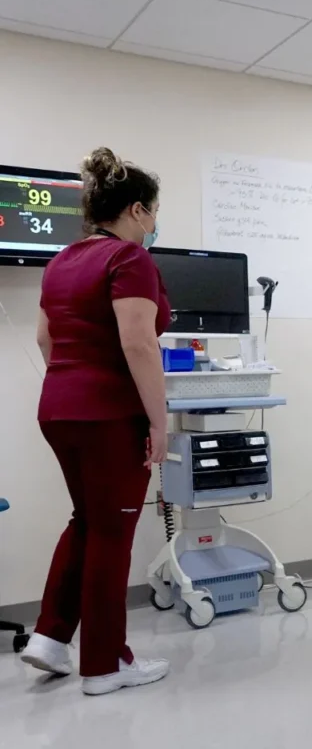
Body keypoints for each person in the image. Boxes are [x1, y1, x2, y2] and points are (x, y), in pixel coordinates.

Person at [20, 147, 171, 696]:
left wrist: (74, 379)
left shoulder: (62, 259)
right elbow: (138, 342)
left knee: (86, 520)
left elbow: (45, 337)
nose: (154, 224)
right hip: (109, 413)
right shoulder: (131, 260)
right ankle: (106, 664)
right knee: (112, 533)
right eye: (153, 212)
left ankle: (49, 639)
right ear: (135, 209)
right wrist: (160, 420)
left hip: (58, 405)